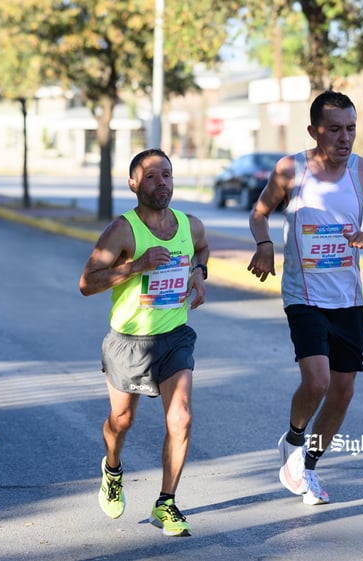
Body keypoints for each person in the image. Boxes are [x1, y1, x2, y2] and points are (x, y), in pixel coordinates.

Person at [247, 90, 363, 506]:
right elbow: (259, 212)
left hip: (348, 299)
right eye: (334, 129)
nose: (345, 137)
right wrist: (263, 245)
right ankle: (294, 441)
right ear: (314, 131)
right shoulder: (290, 170)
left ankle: (306, 467)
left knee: (343, 392)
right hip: (304, 295)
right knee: (316, 381)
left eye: (351, 128)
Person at [79, 148, 209, 537]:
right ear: (133, 184)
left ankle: (166, 502)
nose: (161, 182)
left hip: (174, 336)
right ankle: (113, 468)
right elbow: (87, 283)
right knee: (122, 421)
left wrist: (199, 273)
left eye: (166, 174)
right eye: (150, 176)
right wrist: (137, 265)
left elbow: (201, 248)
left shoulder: (190, 225)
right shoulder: (123, 230)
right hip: (128, 342)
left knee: (181, 417)